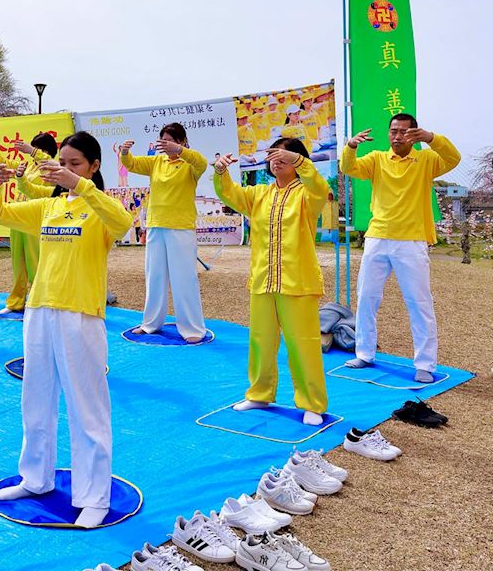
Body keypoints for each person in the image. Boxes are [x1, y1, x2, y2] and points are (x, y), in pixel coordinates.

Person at [0, 132, 133, 528]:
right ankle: (35, 478)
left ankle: (94, 496)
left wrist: (81, 186)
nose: (65, 170)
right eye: (62, 163)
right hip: (40, 310)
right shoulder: (49, 206)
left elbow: (123, 222)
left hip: (80, 314)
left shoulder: (100, 207)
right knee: (35, 399)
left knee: (87, 407)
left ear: (94, 167)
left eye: (75, 164)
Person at [213, 139, 331, 425]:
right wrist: (220, 172)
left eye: (283, 155)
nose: (276, 160)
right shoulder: (259, 195)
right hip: (263, 280)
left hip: (298, 282)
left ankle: (312, 403)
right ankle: (259, 394)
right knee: (260, 342)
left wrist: (299, 160)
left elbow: (319, 186)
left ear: (298, 160)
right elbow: (229, 193)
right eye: (273, 155)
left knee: (303, 345)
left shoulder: (307, 194)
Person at [341, 115, 461, 383]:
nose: (397, 136)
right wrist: (351, 146)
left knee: (419, 302)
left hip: (412, 240)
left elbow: (453, 158)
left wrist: (431, 138)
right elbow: (349, 168)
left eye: (404, 132)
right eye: (393, 131)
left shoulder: (426, 160)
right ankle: (364, 353)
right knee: (366, 297)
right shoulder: (376, 159)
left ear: (414, 134)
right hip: (377, 237)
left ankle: (425, 364)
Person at [119, 123, 209, 342]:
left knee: (184, 278)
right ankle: (150, 324)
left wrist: (180, 151)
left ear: (182, 141)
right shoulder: (156, 162)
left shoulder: (190, 164)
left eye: (171, 140)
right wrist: (125, 152)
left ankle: (192, 329)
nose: (166, 144)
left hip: (181, 227)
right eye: (163, 140)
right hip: (156, 225)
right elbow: (131, 164)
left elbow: (202, 162)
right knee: (154, 276)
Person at [0, 134, 57, 318]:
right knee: (18, 262)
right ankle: (16, 302)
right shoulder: (31, 166)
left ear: (45, 150)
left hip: (35, 219)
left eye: (36, 148)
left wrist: (32, 151)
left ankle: (39, 302)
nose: (31, 151)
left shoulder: (49, 166)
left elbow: (48, 161)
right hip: (19, 216)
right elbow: (9, 166)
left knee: (34, 262)